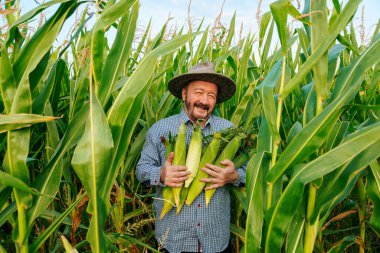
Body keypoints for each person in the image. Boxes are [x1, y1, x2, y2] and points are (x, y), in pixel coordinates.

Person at [136, 62, 246, 253]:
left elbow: (249, 170)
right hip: (171, 241)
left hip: (215, 241)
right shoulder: (161, 129)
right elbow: (141, 169)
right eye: (199, 92)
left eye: (211, 95)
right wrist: (161, 174)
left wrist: (234, 176)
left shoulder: (228, 131)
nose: (205, 100)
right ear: (185, 93)